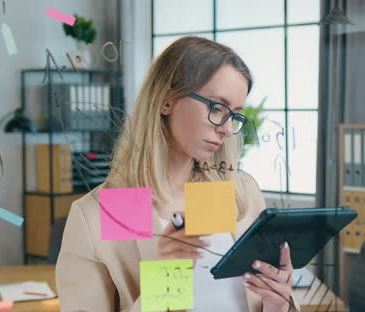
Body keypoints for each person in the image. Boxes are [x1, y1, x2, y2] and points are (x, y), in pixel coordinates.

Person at [56, 36, 300, 312]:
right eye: (217, 108)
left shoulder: (235, 191)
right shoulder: (110, 209)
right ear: (166, 101)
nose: (227, 129)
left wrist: (278, 304)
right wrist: (165, 283)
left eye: (235, 115)